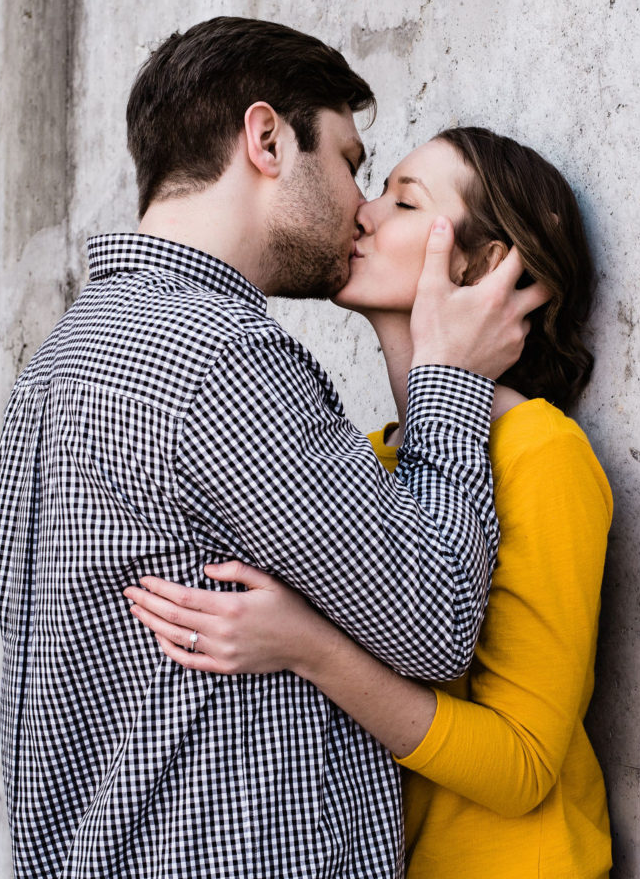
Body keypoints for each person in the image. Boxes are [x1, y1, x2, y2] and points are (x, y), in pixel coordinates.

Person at [0, 19, 547, 879]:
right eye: (352, 164)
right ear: (266, 138)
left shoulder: (58, 360)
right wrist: (448, 377)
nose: (359, 205)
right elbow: (433, 623)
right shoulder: (217, 357)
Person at [126, 126, 613, 878]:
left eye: (402, 201)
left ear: (483, 267)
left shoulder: (538, 453)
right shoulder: (373, 460)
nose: (363, 212)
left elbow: (521, 767)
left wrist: (306, 649)